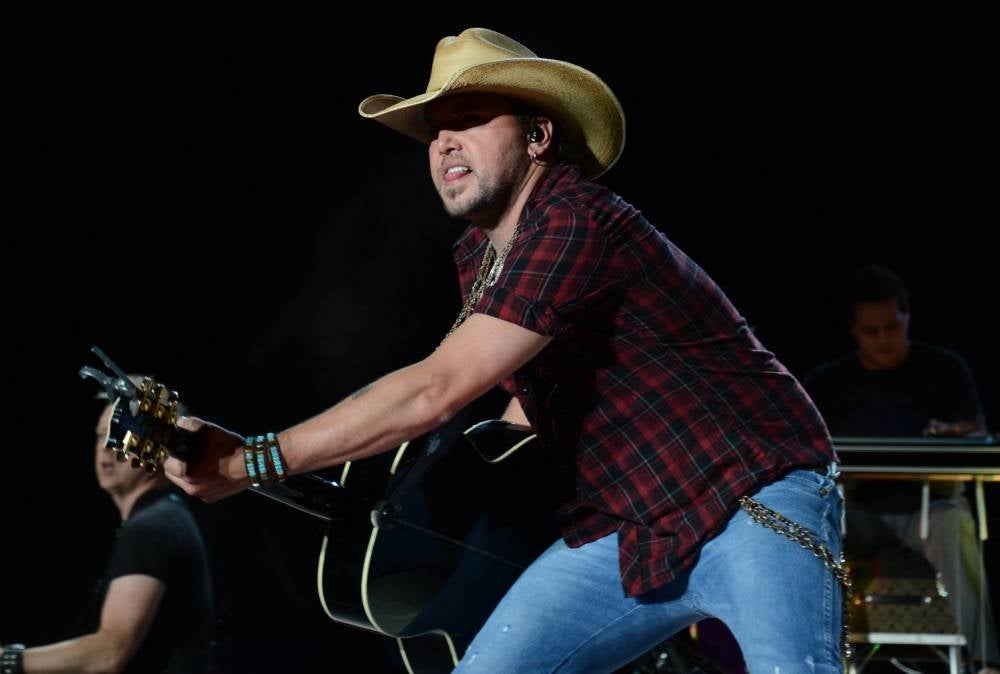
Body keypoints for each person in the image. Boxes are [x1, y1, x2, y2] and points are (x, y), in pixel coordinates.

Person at [163, 27, 845, 673]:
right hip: (629, 528)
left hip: (749, 499)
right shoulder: (482, 258)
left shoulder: (576, 217)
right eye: (435, 130)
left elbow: (437, 390)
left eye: (470, 119)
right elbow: (522, 404)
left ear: (539, 136)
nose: (445, 143)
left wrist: (252, 459)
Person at [803, 263, 999, 673]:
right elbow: (806, 449)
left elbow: (977, 438)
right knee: (815, 529)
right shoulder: (830, 382)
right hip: (859, 512)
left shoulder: (943, 369)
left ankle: (986, 662)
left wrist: (955, 435)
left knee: (955, 528)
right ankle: (814, 660)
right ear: (853, 331)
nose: (884, 340)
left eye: (892, 327)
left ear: (907, 317)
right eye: (871, 332)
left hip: (928, 510)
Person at [1, 394, 215, 674]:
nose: (106, 447)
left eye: (119, 433)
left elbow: (109, 652)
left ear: (158, 447)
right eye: (101, 434)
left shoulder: (151, 529)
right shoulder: (164, 518)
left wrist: (8, 660)